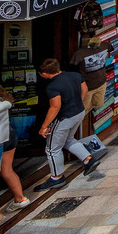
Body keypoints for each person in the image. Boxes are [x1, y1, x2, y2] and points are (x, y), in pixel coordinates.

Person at [33, 58, 96, 191]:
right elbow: (84, 89)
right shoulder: (75, 75)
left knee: (52, 149)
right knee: (68, 139)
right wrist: (77, 102)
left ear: (44, 73)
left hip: (64, 118)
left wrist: (44, 126)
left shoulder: (52, 86)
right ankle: (88, 159)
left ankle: (57, 177)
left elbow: (55, 107)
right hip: (78, 112)